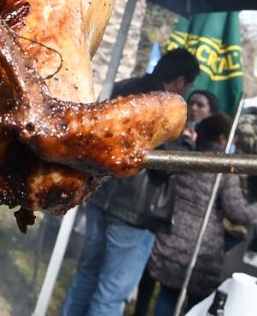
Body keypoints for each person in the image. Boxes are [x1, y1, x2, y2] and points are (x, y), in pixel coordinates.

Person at [60, 47, 200, 316]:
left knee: (87, 273)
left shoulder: (123, 87)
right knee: (112, 293)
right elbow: (165, 166)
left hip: (100, 196)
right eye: (188, 85)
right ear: (180, 80)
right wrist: (188, 145)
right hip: (135, 211)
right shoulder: (165, 106)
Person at [148, 113, 257, 315]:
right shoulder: (224, 167)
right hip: (202, 252)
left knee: (167, 296)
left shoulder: (185, 158)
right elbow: (236, 211)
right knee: (197, 307)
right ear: (223, 138)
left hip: (171, 240)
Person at [132, 89, 220, 316]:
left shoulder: (210, 147)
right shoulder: (174, 132)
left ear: (211, 112)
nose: (194, 108)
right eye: (191, 103)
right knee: (149, 279)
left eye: (200, 105)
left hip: (184, 228)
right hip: (160, 215)